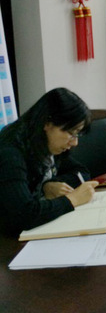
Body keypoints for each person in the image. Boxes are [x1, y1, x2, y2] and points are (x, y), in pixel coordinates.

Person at [0, 88, 98, 236]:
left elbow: (81, 172)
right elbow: (24, 215)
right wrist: (71, 200)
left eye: (77, 134)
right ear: (47, 123)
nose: (75, 142)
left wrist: (49, 185)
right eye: (71, 133)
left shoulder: (46, 144)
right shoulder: (10, 152)